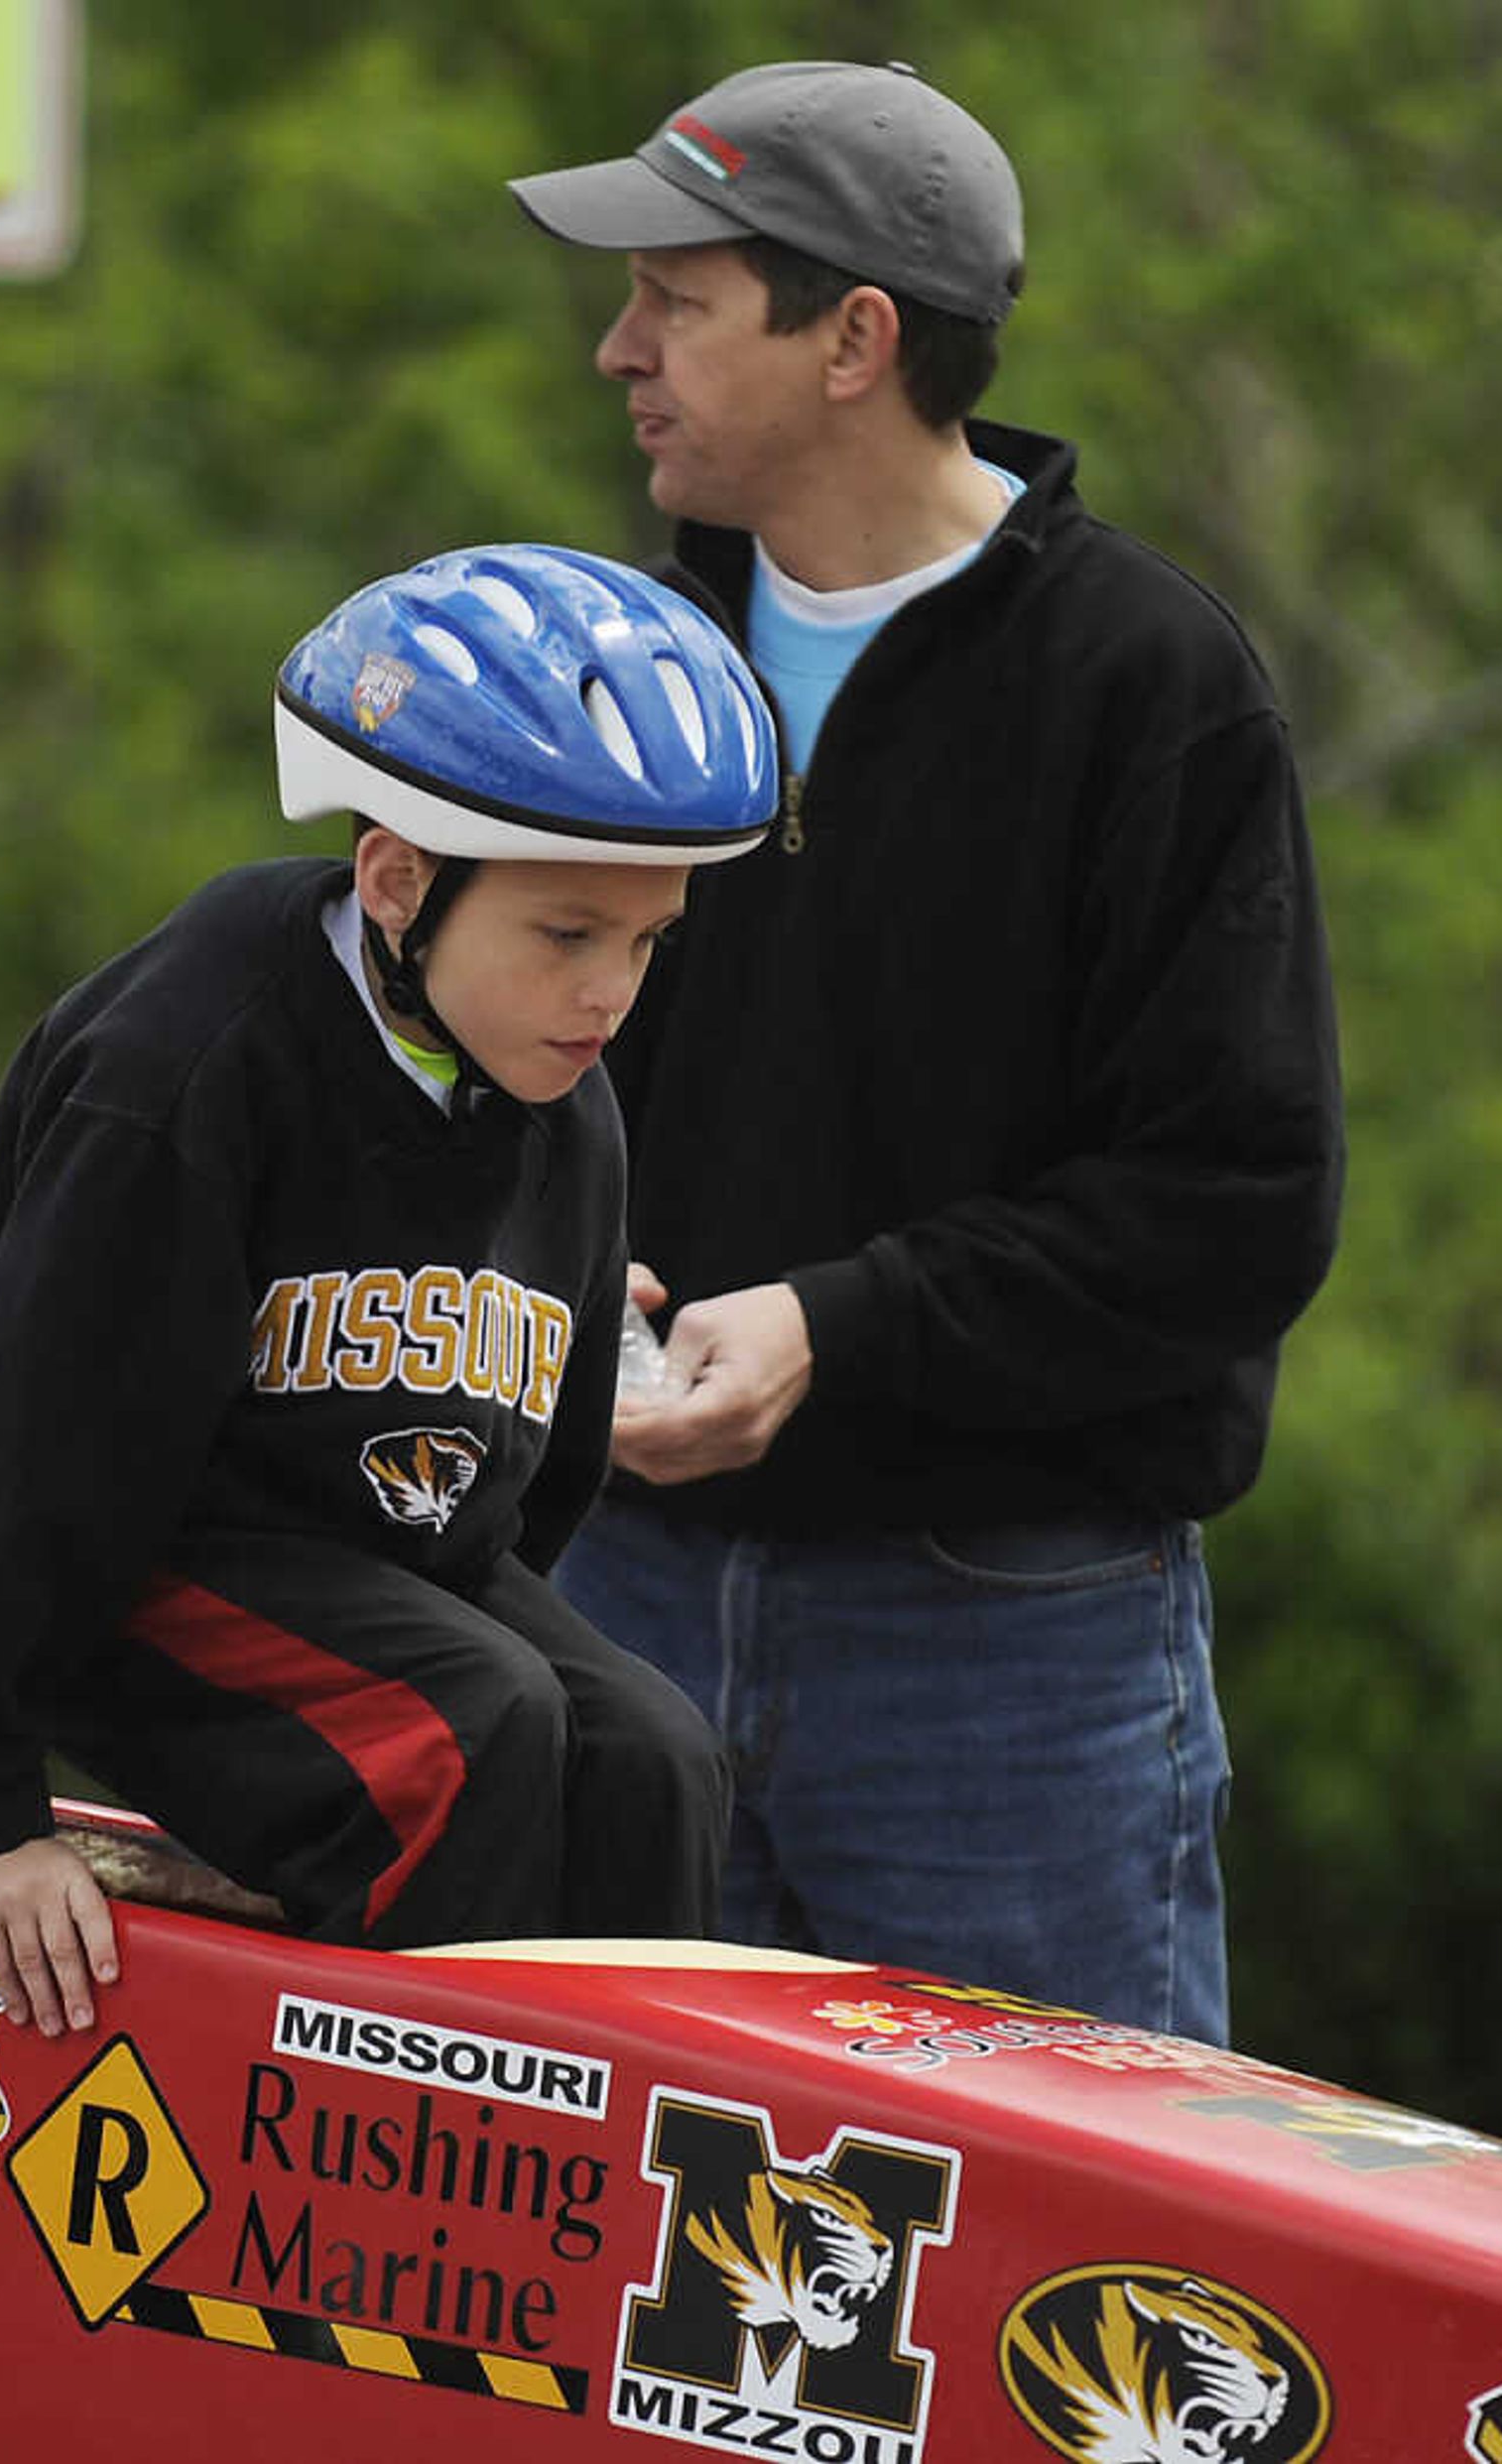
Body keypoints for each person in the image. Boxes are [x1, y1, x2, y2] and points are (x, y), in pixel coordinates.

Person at [507, 61, 1346, 2042]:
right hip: (609, 1605)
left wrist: (834, 1327)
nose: (620, 349)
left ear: (852, 342)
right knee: (611, 2295)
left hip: (1013, 1655)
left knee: (1062, 2314)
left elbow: (1233, 1207)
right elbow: (459, 1088)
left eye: (676, 302)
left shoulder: (1154, 689)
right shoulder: (598, 659)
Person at [0, 543, 770, 2039]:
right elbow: (23, 1442)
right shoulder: (193, 1065)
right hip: (108, 1542)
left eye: (646, 943)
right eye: (565, 935)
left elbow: (540, 1494)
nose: (611, 991)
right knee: (466, 1736)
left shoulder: (567, 1096)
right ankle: (398, 2216)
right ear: (399, 881)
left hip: (354, 1546)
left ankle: (590, 2202)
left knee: (656, 1755)